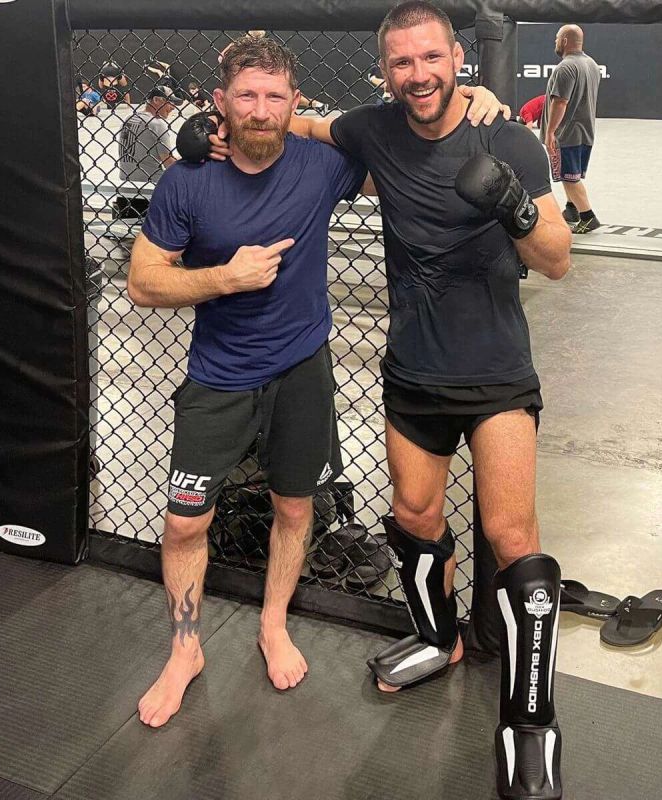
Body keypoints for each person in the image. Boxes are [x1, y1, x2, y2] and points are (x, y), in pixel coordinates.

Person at [254, 3, 571, 798]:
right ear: (385, 70)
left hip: (496, 371)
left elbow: (558, 258)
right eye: (401, 62)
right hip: (413, 372)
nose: (418, 74)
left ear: (457, 58)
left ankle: (531, 721)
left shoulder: (506, 138)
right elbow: (307, 125)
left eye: (430, 58)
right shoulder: (374, 130)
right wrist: (235, 128)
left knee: (513, 540)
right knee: (415, 517)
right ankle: (440, 637)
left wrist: (513, 203)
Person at [125, 36, 370, 728]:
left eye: (274, 96)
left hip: (301, 370)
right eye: (246, 96)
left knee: (294, 508)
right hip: (219, 376)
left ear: (294, 101)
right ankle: (185, 649)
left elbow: (405, 153)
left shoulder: (323, 166)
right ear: (220, 102)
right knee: (184, 521)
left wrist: (475, 100)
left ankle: (273, 624)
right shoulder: (188, 180)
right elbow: (141, 282)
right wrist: (223, 279)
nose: (260, 110)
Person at [541, 24, 601, 233]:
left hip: (567, 134)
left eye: (557, 38)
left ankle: (588, 216)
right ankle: (571, 210)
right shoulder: (592, 64)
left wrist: (550, 132)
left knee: (569, 178)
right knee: (572, 174)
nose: (555, 41)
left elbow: (560, 102)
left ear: (565, 41)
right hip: (585, 132)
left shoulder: (565, 68)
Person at [115, 84, 181, 219]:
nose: (173, 107)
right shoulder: (157, 124)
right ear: (156, 100)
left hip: (126, 189)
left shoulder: (128, 118)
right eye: (169, 102)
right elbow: (169, 163)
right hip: (151, 190)